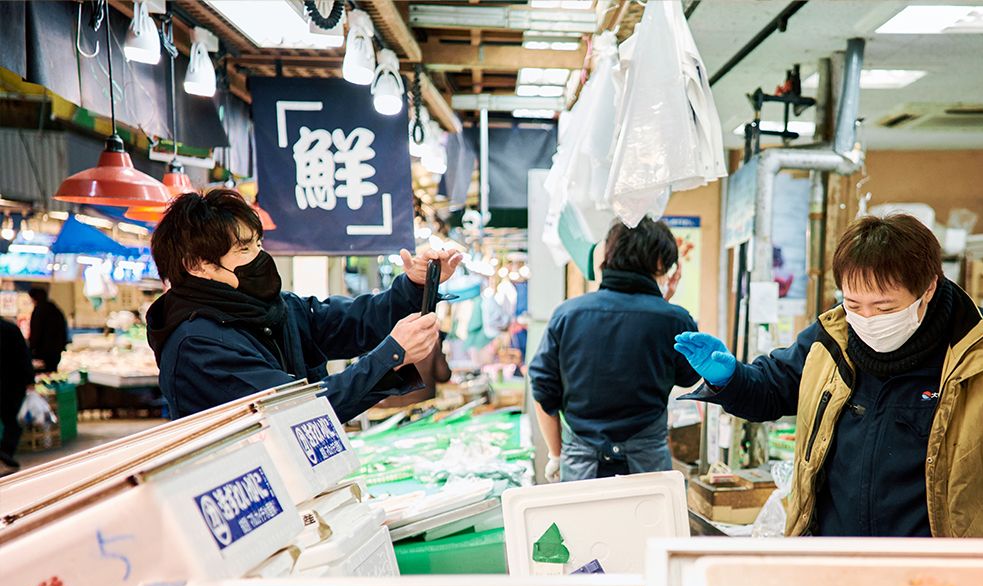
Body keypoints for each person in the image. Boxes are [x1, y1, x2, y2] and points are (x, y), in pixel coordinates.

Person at [674, 214, 983, 539]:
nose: (866, 319)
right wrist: (731, 378)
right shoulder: (831, 338)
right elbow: (774, 389)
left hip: (949, 576)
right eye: (854, 303)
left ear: (928, 290)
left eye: (885, 308)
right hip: (839, 562)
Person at [145, 189, 459, 422]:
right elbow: (297, 411)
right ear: (197, 265)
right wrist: (389, 356)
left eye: (258, 244)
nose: (260, 258)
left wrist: (415, 285)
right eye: (243, 250)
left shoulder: (271, 309)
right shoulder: (197, 345)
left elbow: (353, 322)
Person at [528, 217, 700, 481]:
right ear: (659, 263)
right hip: (648, 469)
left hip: (581, 468)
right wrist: (662, 305)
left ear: (608, 256)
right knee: (647, 523)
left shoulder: (568, 314)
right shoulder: (675, 320)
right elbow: (689, 376)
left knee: (583, 524)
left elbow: (543, 391)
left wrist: (556, 455)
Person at [1, 317, 35, 474]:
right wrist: (30, 380)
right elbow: (24, 356)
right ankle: (5, 453)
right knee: (13, 422)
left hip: (11, 384)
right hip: (12, 385)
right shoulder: (10, 329)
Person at [27, 286, 68, 372]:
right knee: (52, 374)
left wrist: (31, 348)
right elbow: (64, 329)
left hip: (43, 353)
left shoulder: (39, 311)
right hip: (56, 351)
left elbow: (36, 332)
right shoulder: (55, 309)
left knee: (43, 376)